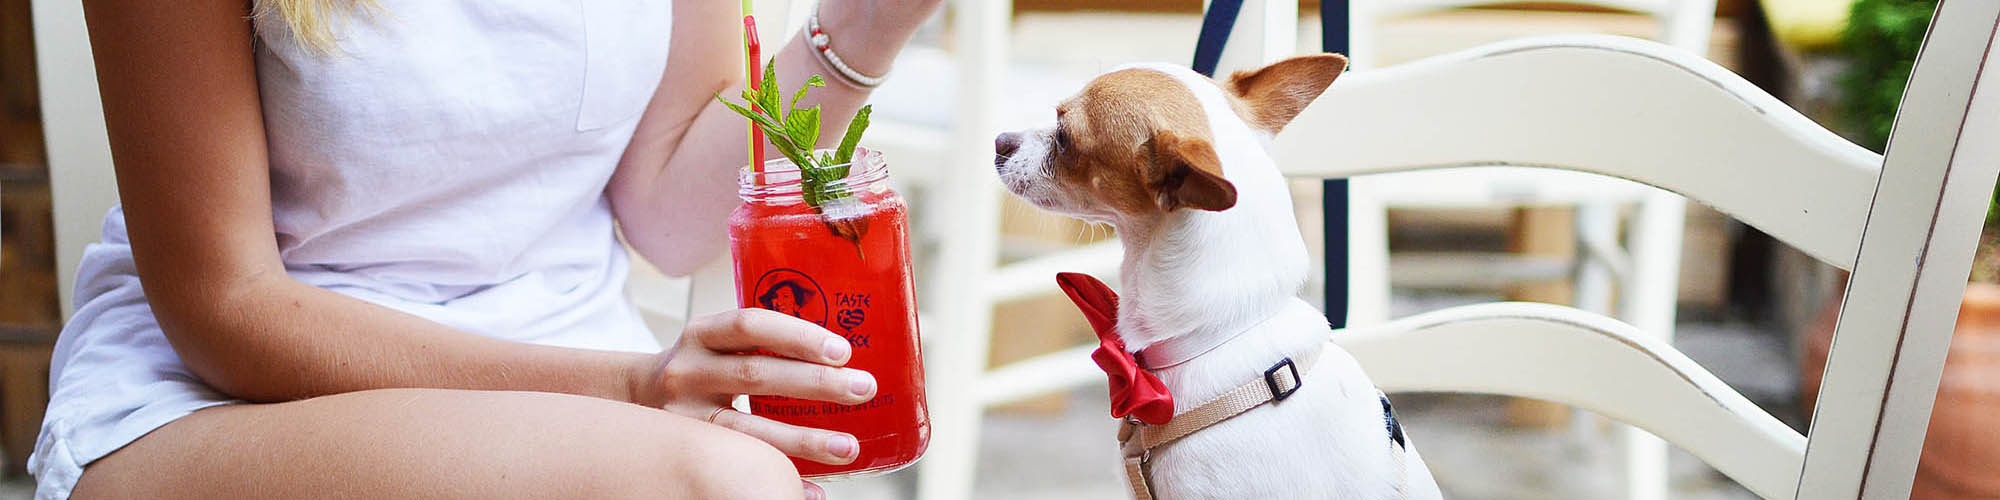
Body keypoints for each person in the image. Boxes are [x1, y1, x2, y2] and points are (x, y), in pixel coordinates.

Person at [34, 1, 941, 498]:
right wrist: (630, 388)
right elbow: (226, 309)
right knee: (726, 487)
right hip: (230, 400)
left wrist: (866, 24)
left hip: (587, 383)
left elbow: (668, 216)